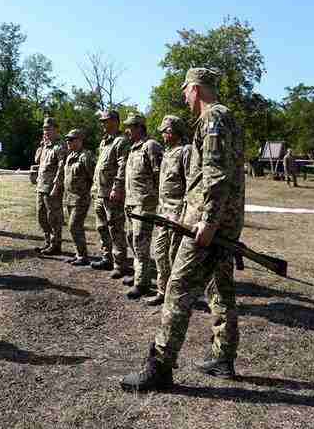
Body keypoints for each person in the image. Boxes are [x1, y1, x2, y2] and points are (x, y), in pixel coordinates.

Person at [121, 67, 245, 391]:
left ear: (197, 88)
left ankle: (160, 367)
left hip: (210, 225)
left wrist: (207, 220)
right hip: (225, 223)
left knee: (176, 288)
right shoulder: (229, 118)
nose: (185, 97)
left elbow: (216, 174)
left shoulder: (213, 119)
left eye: (186, 91)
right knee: (220, 289)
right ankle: (223, 356)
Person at [147, 115, 191, 307]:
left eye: (165, 131)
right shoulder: (166, 153)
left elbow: (192, 185)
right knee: (159, 252)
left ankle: (176, 295)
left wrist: (186, 212)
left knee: (174, 255)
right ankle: (162, 290)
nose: (163, 134)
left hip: (178, 213)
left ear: (174, 132)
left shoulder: (185, 152)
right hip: (163, 211)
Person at [122, 113, 163, 299]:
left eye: (130, 127)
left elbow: (160, 176)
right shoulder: (133, 149)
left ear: (139, 127)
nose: (126, 130)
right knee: (131, 239)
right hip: (131, 203)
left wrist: (154, 200)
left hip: (144, 204)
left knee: (140, 242)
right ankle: (140, 273)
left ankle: (142, 283)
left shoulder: (151, 146)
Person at [91, 110, 132, 279]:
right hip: (100, 193)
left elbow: (123, 167)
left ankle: (120, 264)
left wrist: (117, 187)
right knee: (102, 227)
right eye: (102, 121)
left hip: (112, 193)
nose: (102, 124)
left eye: (105, 121)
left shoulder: (121, 142)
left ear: (115, 121)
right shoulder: (104, 142)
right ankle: (106, 258)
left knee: (115, 229)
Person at [35, 117, 68, 255]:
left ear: (55, 129)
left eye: (48, 128)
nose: (46, 131)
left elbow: (62, 168)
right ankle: (48, 242)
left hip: (52, 188)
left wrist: (56, 186)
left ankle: (56, 245)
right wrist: (42, 145)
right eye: (44, 128)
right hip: (41, 187)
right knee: (41, 216)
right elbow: (36, 160)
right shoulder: (46, 146)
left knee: (53, 217)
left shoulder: (60, 146)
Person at [63, 128, 94, 265]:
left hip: (81, 198)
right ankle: (79, 254)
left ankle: (83, 256)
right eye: (67, 139)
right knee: (74, 227)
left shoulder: (85, 156)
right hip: (69, 198)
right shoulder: (70, 156)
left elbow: (93, 176)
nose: (68, 142)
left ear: (80, 141)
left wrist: (92, 192)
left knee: (74, 225)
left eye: (71, 139)